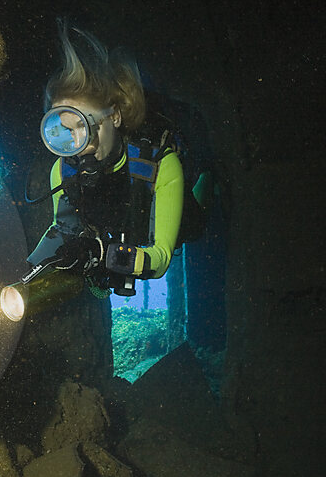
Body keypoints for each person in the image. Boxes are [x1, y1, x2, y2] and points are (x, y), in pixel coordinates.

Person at [24, 24, 199, 295]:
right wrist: (28, 270)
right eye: (66, 133)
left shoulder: (161, 165)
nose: (78, 147)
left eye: (86, 127)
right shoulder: (62, 170)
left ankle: (211, 179)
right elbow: (63, 229)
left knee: (197, 226)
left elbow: (161, 259)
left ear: (115, 116)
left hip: (178, 216)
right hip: (118, 235)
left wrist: (102, 253)